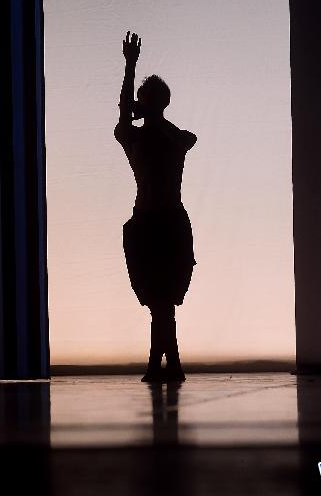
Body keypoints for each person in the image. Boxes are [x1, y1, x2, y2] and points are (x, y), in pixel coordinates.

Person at [115, 32, 197, 383]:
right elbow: (122, 117)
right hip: (153, 220)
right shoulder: (143, 137)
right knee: (158, 298)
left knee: (162, 297)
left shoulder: (170, 135)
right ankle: (167, 361)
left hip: (162, 220)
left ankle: (161, 361)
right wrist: (130, 67)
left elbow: (184, 140)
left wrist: (143, 110)